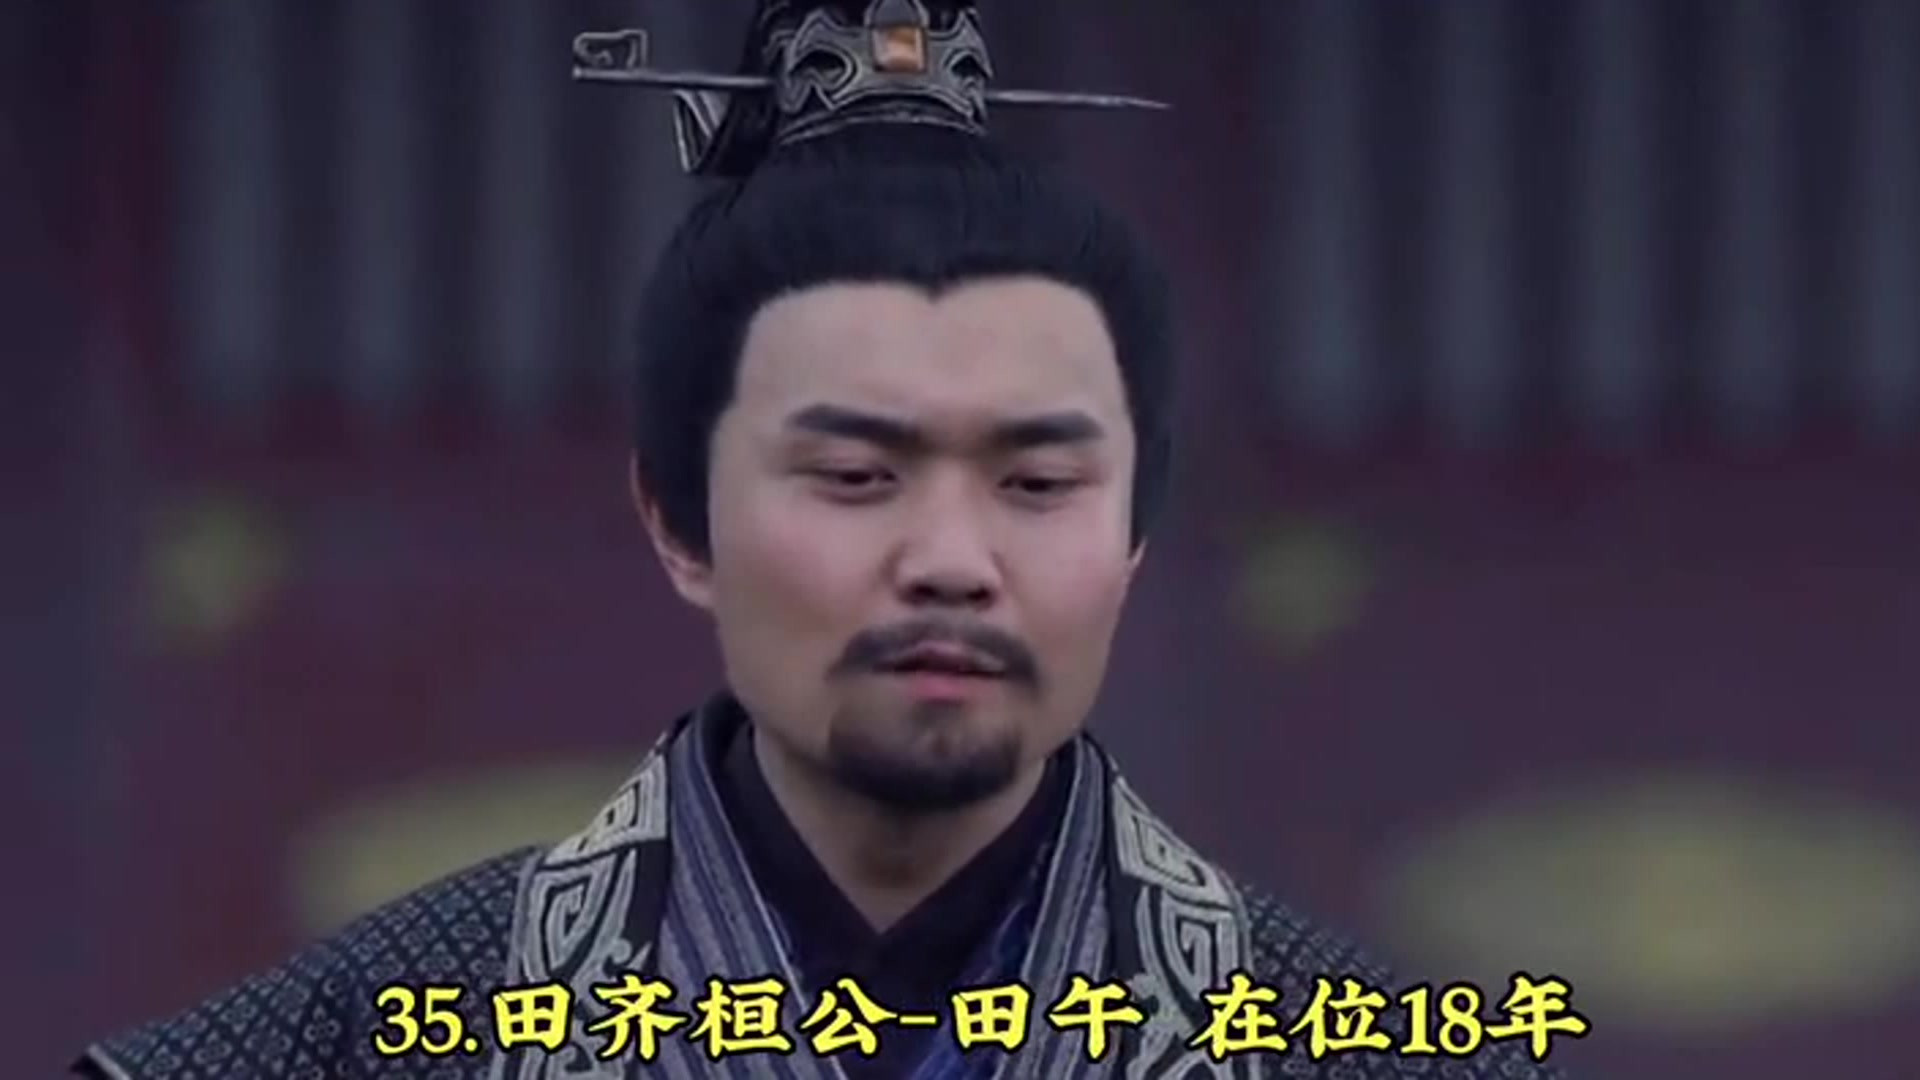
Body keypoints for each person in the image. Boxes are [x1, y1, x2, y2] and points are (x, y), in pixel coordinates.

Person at [75, 1, 1577, 1076]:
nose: (950, 558)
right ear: (679, 519)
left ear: (1135, 534)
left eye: (1036, 481)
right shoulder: (403, 1019)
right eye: (856, 474)